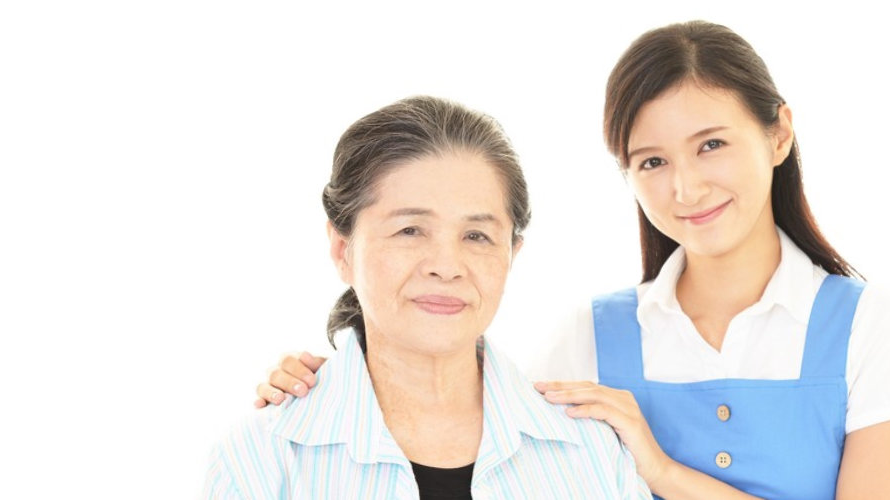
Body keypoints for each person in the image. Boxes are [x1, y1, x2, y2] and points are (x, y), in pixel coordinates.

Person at [253, 21, 890, 500]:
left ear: (778, 133)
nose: (685, 188)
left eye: (712, 144)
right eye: (652, 162)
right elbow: (453, 408)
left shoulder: (870, 328)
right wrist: (333, 384)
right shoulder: (590, 337)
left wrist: (662, 473)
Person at [203, 96, 650, 499]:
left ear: (511, 255)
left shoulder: (591, 450)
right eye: (410, 230)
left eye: (476, 235)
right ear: (343, 250)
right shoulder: (262, 458)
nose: (447, 265)